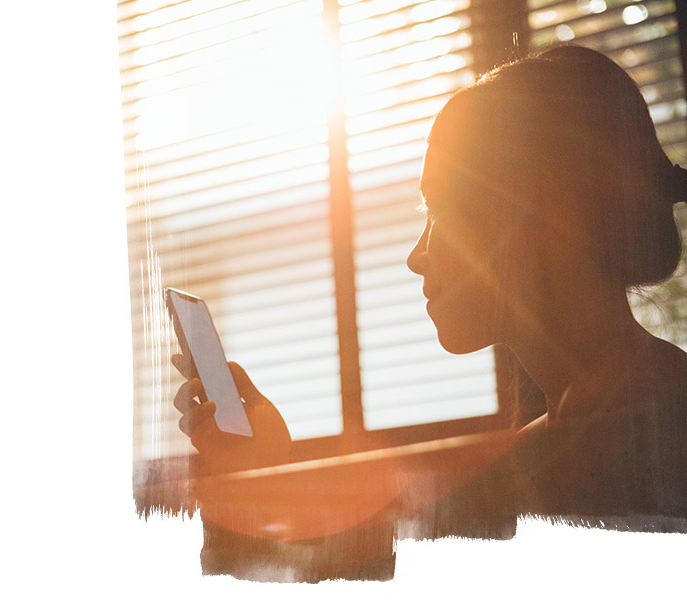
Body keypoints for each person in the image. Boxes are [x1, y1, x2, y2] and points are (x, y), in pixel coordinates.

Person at [172, 45, 687, 533]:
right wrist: (269, 470)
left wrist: (271, 483)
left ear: (544, 208)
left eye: (438, 209)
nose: (416, 256)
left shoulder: (638, 429)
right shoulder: (569, 430)